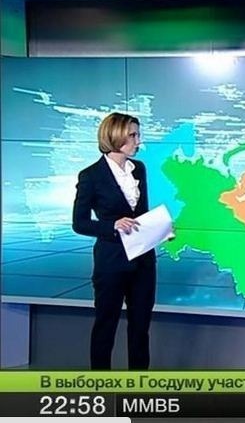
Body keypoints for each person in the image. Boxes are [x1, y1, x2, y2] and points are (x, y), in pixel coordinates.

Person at [72, 112, 156, 370]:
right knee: (105, 327)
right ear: (115, 136)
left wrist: (159, 229)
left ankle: (138, 386)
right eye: (132, 135)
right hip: (111, 263)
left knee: (140, 329)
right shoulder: (91, 176)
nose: (138, 141)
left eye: (138, 135)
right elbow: (80, 223)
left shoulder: (138, 168)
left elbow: (140, 215)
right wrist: (112, 226)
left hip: (143, 261)